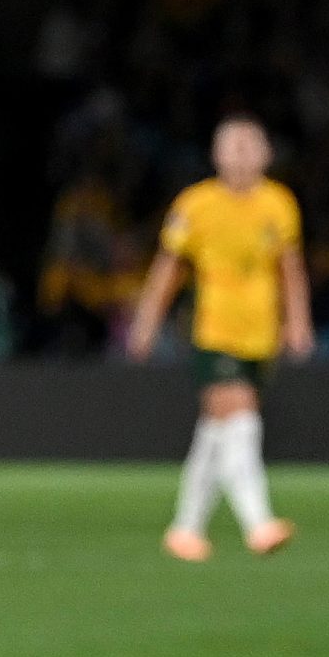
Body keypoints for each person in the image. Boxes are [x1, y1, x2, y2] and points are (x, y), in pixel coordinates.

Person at [126, 115, 313, 561]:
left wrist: (299, 321)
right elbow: (168, 268)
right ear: (216, 155)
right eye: (232, 144)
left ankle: (186, 528)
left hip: (260, 335)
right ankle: (259, 522)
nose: (242, 152)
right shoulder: (196, 205)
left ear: (267, 153)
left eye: (251, 143)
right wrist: (146, 322)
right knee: (241, 421)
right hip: (214, 330)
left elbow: (290, 270)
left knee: (217, 431)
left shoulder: (279, 204)